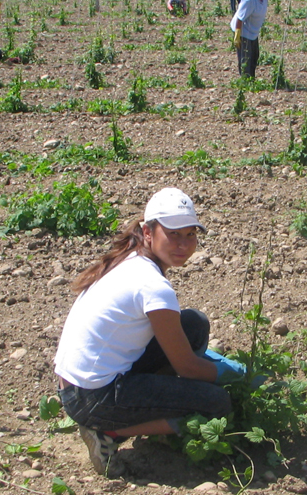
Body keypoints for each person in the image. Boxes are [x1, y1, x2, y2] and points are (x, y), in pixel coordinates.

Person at [54, 188, 243, 476]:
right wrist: (237, 377)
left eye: (190, 234)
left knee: (193, 324)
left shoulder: (130, 260)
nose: (183, 244)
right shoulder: (152, 285)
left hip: (76, 385)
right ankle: (108, 433)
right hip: (91, 399)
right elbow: (187, 366)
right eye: (174, 234)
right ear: (148, 231)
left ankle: (158, 406)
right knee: (216, 403)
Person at [230, 0, 269, 78]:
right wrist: (237, 35)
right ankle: (245, 80)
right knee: (246, 57)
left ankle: (251, 78)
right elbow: (240, 17)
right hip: (243, 30)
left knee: (255, 56)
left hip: (253, 31)